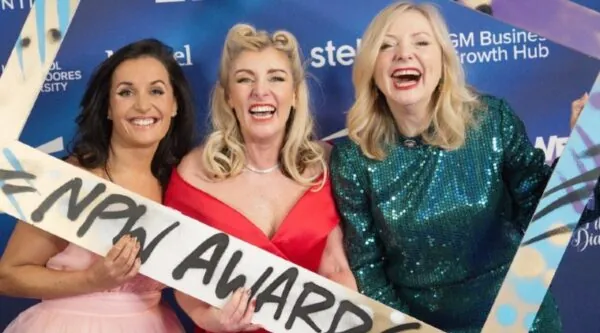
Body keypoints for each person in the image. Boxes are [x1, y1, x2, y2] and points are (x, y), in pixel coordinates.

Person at [329, 2, 599, 333]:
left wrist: (584, 157)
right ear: (372, 67)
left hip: (519, 317)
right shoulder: (354, 161)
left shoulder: (492, 122)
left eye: (421, 42)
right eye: (387, 44)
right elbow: (368, 270)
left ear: (443, 61)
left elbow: (546, 217)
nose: (403, 54)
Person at [164, 23, 357, 333]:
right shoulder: (194, 172)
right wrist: (210, 320)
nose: (260, 91)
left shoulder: (327, 165)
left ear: (294, 95)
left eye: (276, 78)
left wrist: (349, 323)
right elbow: (179, 274)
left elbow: (336, 267)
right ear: (228, 97)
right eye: (244, 80)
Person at [0, 38, 196, 333]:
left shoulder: (177, 185)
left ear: (174, 105)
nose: (143, 104)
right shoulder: (70, 180)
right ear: (107, 107)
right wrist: (92, 280)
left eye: (156, 90)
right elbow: (8, 276)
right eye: (126, 92)